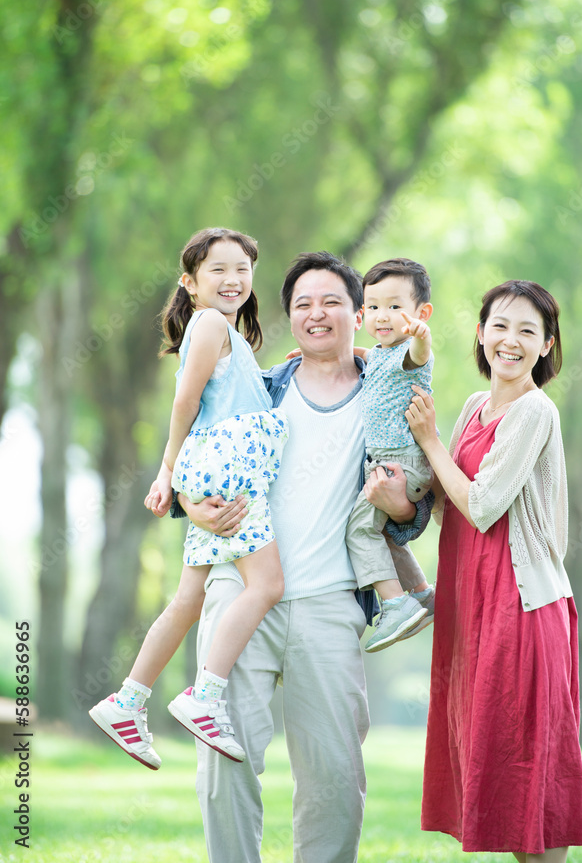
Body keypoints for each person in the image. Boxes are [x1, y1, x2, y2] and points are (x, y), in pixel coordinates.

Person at [175, 251, 435, 863]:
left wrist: (401, 505)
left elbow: (415, 501)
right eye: (303, 304)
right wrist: (188, 500)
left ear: (358, 313)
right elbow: (196, 450)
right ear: (290, 316)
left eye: (332, 302)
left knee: (335, 779)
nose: (317, 314)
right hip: (240, 596)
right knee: (224, 762)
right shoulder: (259, 388)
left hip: (331, 607)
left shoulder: (389, 389)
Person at [89, 227, 289, 769]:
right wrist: (169, 470)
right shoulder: (210, 323)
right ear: (190, 282)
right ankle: (206, 695)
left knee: (188, 600)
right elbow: (186, 401)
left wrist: (175, 475)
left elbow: (224, 395)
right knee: (267, 584)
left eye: (242, 269)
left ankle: (126, 701)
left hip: (216, 467)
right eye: (217, 269)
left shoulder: (225, 332)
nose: (233, 279)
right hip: (229, 467)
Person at [406, 279, 582, 863]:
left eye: (527, 331)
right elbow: (451, 507)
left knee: (530, 778)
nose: (511, 340)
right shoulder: (472, 408)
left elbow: (483, 506)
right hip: (472, 608)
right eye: (500, 326)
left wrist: (430, 441)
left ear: (546, 345)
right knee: (503, 778)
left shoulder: (535, 410)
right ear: (481, 334)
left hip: (521, 608)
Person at [346, 258, 437, 653]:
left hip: (399, 464)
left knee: (358, 530)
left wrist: (421, 336)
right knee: (383, 533)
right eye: (373, 307)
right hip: (396, 463)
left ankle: (395, 604)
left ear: (421, 313)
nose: (382, 316)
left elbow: (418, 354)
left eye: (395, 306)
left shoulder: (409, 353)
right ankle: (421, 593)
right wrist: (327, 354)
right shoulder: (382, 352)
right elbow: (371, 358)